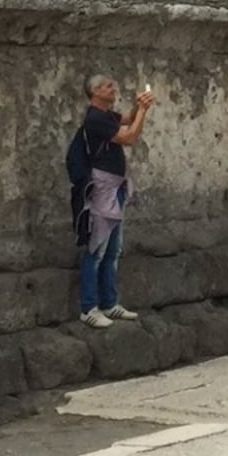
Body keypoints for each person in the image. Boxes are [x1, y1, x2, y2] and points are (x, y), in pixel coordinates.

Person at [75, 76, 154, 328]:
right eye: (108, 86)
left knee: (112, 250)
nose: (113, 89)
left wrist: (139, 106)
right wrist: (143, 110)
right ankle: (89, 307)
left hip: (115, 185)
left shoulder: (106, 116)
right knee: (97, 248)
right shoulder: (95, 118)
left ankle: (109, 303)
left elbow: (127, 119)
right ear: (95, 91)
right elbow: (129, 137)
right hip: (103, 186)